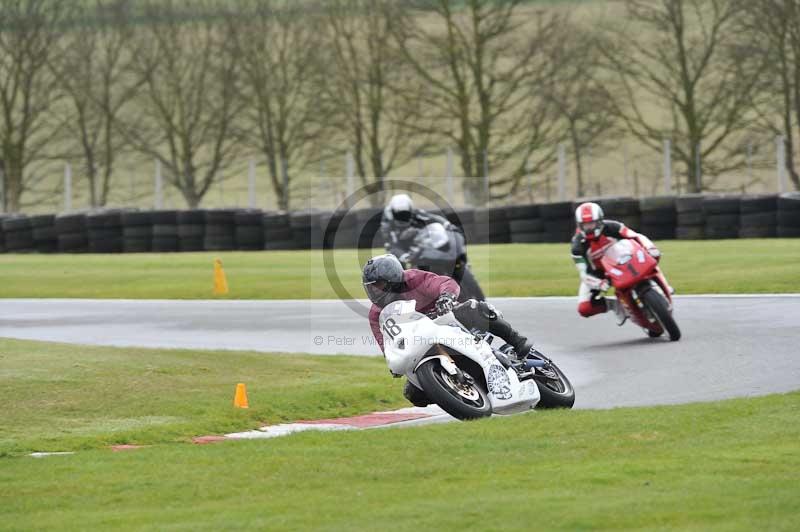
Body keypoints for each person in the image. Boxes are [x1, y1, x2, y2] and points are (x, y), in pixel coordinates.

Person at [362, 253, 533, 406]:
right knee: (413, 394)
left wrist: (446, 297)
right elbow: (385, 342)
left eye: (379, 285)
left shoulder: (414, 279)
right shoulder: (376, 314)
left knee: (475, 308)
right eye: (371, 287)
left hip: (444, 319)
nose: (375, 292)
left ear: (393, 278)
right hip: (419, 343)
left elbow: (444, 283)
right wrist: (392, 360)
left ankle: (517, 341)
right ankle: (455, 392)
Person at [571, 202, 665, 324]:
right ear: (579, 225)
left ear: (599, 221)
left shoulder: (612, 226)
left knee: (651, 258)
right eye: (585, 225)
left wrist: (650, 247)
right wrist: (598, 283)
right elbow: (583, 273)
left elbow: (636, 236)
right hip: (599, 274)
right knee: (584, 308)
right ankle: (616, 306)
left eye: (591, 223)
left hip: (622, 260)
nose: (589, 228)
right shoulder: (577, 246)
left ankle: (664, 286)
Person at [380, 193, 455, 256]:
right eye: (399, 214)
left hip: (421, 245)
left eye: (405, 213)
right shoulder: (387, 225)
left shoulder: (416, 213)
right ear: (393, 212)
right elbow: (391, 246)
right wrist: (404, 255)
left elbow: (433, 218)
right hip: (401, 249)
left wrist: (447, 224)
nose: (402, 216)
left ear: (410, 209)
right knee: (397, 262)